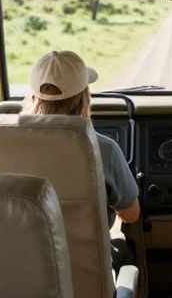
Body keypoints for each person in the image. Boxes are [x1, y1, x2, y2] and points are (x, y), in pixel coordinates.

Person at [23, 50, 141, 225]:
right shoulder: (102, 148)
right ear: (84, 97)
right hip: (85, 253)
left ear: (34, 96)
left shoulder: (10, 146)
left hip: (24, 251)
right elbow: (131, 215)